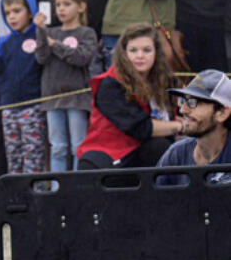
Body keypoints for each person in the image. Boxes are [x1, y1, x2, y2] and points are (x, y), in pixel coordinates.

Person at [75, 23, 181, 169]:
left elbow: (171, 117)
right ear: (124, 54)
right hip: (110, 152)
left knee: (162, 146)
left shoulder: (166, 81)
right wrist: (181, 126)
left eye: (147, 50)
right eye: (133, 50)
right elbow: (141, 128)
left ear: (156, 52)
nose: (140, 56)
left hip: (145, 150)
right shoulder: (109, 85)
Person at [0, 0, 46, 174]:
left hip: (32, 107)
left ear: (31, 11)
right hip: (8, 108)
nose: (12, 17)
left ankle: (37, 197)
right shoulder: (2, 43)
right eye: (7, 13)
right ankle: (18, 199)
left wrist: (42, 31)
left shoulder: (39, 37)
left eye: (17, 11)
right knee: (14, 159)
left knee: (33, 157)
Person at [34, 0, 98, 171]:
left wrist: (55, 44)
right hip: (52, 97)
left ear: (81, 6)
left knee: (78, 145)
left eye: (67, 4)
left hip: (77, 98)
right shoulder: (51, 31)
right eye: (58, 4)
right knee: (57, 147)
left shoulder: (87, 33)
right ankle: (56, 188)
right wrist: (41, 31)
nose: (61, 9)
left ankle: (78, 186)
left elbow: (81, 58)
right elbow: (41, 57)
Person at [156, 71, 231, 185]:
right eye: (183, 101)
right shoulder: (176, 154)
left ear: (222, 113)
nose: (182, 110)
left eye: (193, 102)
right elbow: (154, 200)